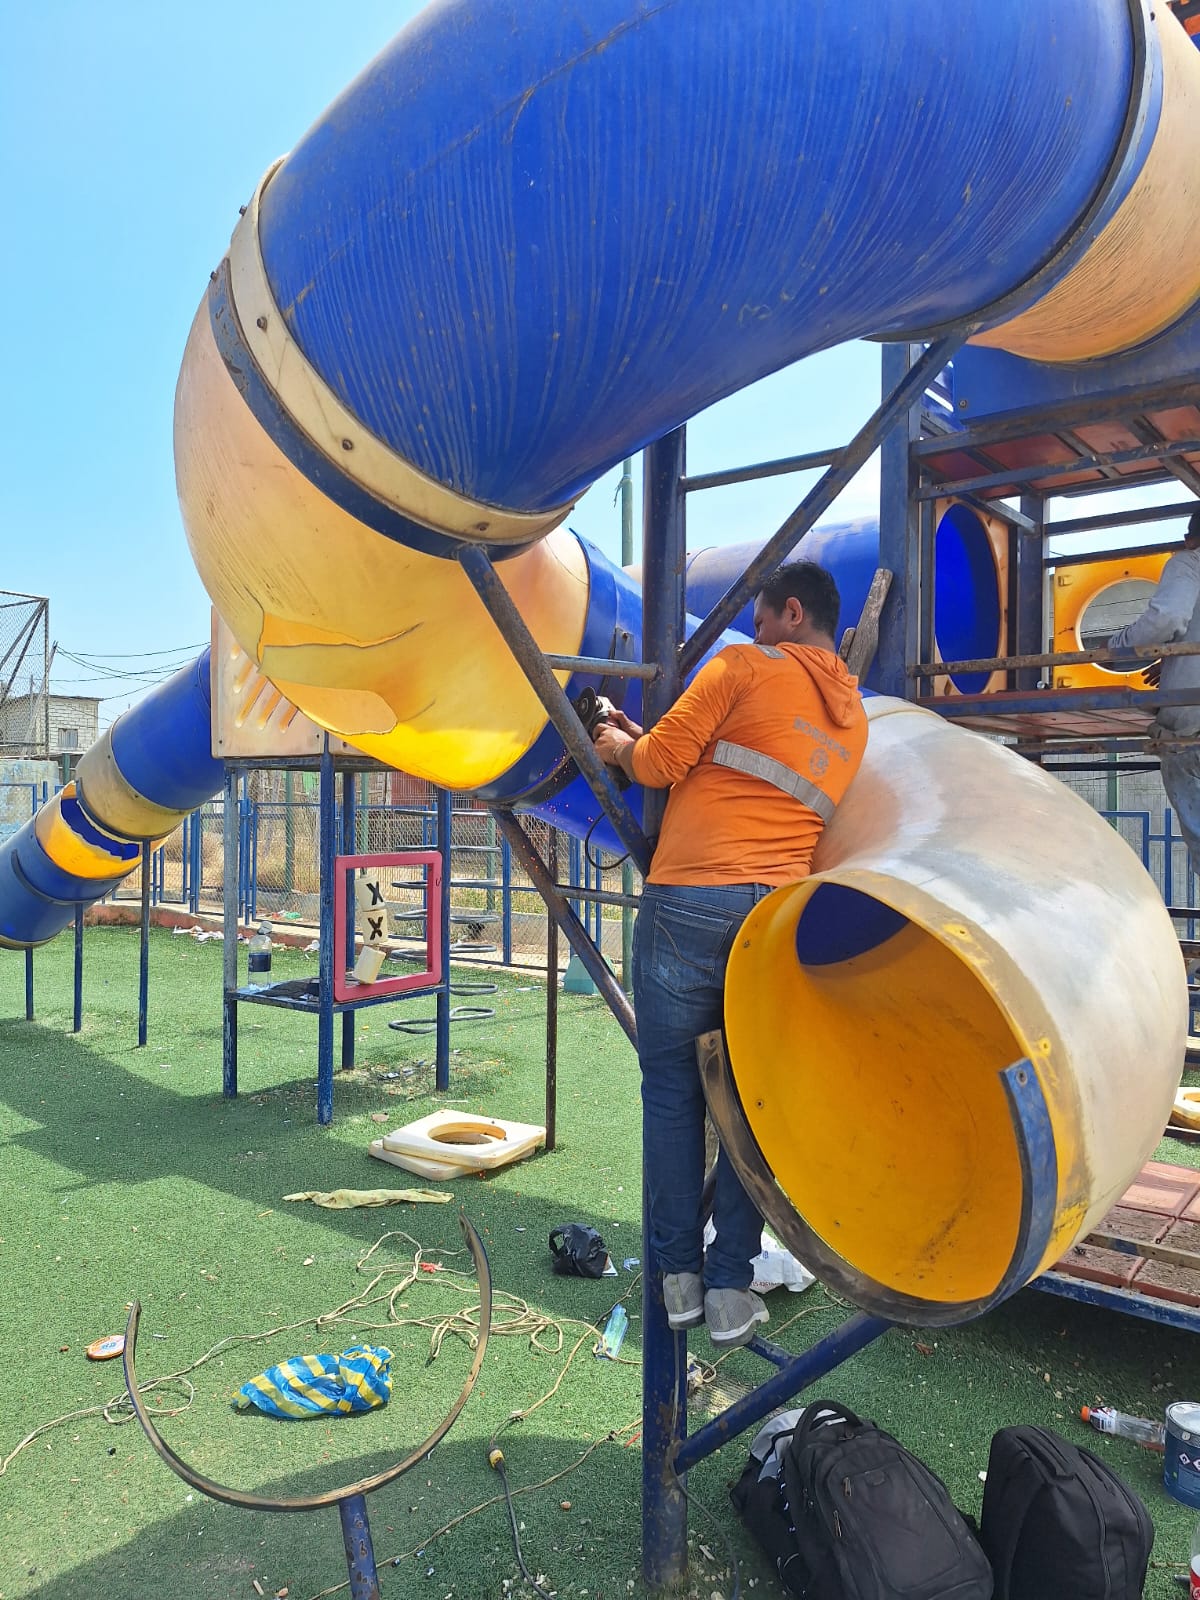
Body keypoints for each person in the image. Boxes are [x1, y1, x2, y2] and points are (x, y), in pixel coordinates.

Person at [593, 560, 868, 1348]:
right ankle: (729, 1285)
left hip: (691, 898)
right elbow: (744, 765)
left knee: (672, 1092)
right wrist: (656, 743)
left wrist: (617, 745)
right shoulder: (854, 720)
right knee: (750, 1103)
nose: (755, 632)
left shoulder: (744, 666)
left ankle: (678, 1279)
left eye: (762, 618)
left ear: (791, 612)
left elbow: (659, 765)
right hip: (775, 920)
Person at [1108, 507, 1200, 878]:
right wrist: (1176, 661)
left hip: (1192, 730)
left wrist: (1115, 650)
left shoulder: (1190, 562)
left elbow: (1167, 619)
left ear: (1190, 539)